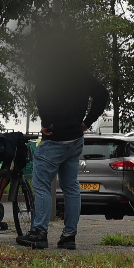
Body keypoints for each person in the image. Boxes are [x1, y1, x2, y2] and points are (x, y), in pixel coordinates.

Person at [17, 46, 109, 251]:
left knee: (41, 185)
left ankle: (39, 232)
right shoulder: (80, 73)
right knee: (71, 187)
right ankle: (69, 235)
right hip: (75, 139)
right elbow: (103, 94)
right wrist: (86, 122)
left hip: (55, 138)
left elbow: (41, 95)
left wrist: (47, 122)